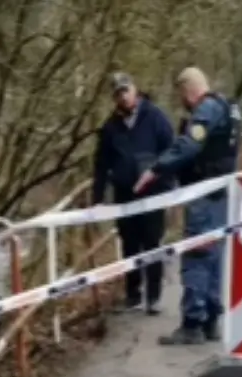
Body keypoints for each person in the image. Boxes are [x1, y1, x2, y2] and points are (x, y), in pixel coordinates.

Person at [133, 66, 242, 345]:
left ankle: (193, 322)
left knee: (196, 255)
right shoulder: (230, 108)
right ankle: (211, 320)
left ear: (188, 90)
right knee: (214, 256)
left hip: (203, 194)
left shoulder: (206, 109)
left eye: (182, 94)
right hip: (221, 193)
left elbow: (189, 146)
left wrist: (156, 170)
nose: (182, 102)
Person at [91, 72, 175, 314]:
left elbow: (171, 151)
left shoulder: (155, 117)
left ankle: (154, 296)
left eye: (126, 90)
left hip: (152, 192)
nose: (123, 96)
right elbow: (101, 163)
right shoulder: (110, 127)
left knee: (152, 243)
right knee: (128, 245)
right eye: (118, 93)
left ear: (135, 89)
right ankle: (133, 294)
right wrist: (97, 198)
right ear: (114, 97)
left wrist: (167, 185)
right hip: (124, 194)